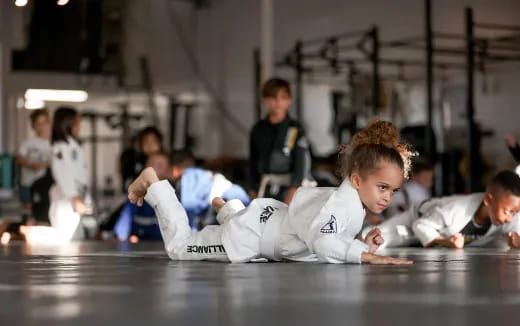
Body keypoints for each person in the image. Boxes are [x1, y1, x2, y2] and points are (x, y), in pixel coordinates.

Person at [128, 120, 414, 265]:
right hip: (251, 236)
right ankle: (154, 184)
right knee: (180, 248)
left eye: (393, 190)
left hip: (269, 220)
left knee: (244, 221)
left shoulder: (352, 202)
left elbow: (333, 239)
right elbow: (324, 242)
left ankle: (229, 211)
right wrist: (367, 256)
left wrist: (365, 245)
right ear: (356, 179)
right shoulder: (345, 204)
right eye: (383, 187)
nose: (388, 197)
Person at [369, 170, 520, 250]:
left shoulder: (507, 218)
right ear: (488, 200)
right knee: (372, 241)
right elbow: (421, 225)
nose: (510, 218)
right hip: (416, 219)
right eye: (507, 211)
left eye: (515, 212)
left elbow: (513, 235)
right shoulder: (456, 210)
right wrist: (446, 242)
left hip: (434, 240)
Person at [20, 107, 90, 244]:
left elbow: (79, 174)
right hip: (66, 199)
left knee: (75, 237)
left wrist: (84, 198)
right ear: (67, 124)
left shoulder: (72, 145)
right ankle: (31, 232)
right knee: (65, 237)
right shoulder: (60, 147)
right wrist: (74, 197)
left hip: (74, 196)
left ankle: (32, 232)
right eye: (76, 123)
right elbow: (62, 173)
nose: (79, 126)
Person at [249, 78, 312, 204]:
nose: (278, 102)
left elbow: (302, 161)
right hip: (265, 187)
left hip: (291, 188)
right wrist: (252, 189)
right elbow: (253, 161)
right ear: (265, 100)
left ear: (289, 101)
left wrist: (294, 190)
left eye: (283, 98)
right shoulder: (258, 130)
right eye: (273, 98)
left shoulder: (295, 129)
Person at [169, 150, 250, 230]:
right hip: (236, 197)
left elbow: (189, 206)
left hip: (227, 200)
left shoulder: (188, 176)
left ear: (174, 170)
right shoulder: (200, 174)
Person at [114, 152, 170, 242]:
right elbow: (125, 219)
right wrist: (122, 237)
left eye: (161, 166)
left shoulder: (174, 193)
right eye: (154, 165)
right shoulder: (139, 192)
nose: (155, 169)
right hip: (141, 243)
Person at [16, 109, 52, 222]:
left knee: (43, 212)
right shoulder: (27, 143)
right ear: (33, 125)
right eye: (38, 123)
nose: (41, 126)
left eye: (44, 122)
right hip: (28, 183)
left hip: (45, 186)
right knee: (28, 214)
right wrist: (32, 165)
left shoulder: (53, 144)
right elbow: (19, 159)